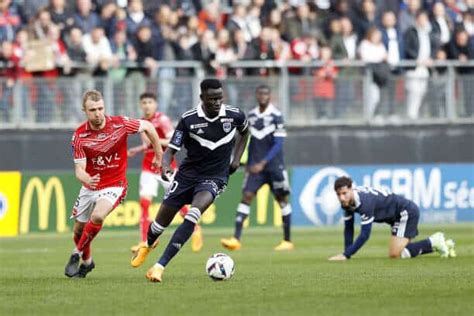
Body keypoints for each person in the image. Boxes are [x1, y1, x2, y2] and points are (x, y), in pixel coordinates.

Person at [130, 79, 249, 283]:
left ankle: (159, 267)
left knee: (193, 215)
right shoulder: (189, 119)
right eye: (212, 99)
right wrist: (166, 165)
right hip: (187, 176)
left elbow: (245, 132)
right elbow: (171, 150)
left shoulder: (234, 115)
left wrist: (236, 159)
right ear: (202, 98)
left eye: (220, 98)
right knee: (158, 225)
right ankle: (148, 245)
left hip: (215, 177)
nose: (217, 102)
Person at [64, 90, 163, 278]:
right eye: (92, 109)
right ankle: (87, 262)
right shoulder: (79, 136)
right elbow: (79, 170)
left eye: (100, 108)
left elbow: (149, 127)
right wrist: (87, 179)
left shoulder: (120, 124)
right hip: (90, 186)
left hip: (114, 185)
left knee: (98, 216)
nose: (97, 113)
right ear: (84, 110)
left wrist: (159, 154)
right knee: (78, 230)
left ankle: (75, 254)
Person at [128, 92, 203, 253]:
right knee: (144, 204)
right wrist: (139, 149)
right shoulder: (142, 122)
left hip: (166, 166)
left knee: (177, 201)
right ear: (140, 105)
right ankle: (144, 241)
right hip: (148, 166)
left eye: (150, 102)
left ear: (155, 104)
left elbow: (172, 140)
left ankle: (195, 229)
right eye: (144, 102)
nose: (147, 105)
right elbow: (148, 145)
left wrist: (154, 139)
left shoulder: (162, 120)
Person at [221, 85, 293, 251]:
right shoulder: (251, 116)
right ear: (256, 95)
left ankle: (287, 240)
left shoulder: (277, 116)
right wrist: (246, 162)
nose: (263, 96)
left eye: (266, 93)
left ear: (270, 96)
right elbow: (248, 141)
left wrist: (263, 162)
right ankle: (236, 239)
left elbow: (278, 144)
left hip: (275, 167)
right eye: (260, 93)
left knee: (282, 200)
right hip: (254, 169)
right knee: (246, 197)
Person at [329, 176, 456, 261]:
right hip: (395, 218)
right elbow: (349, 229)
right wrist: (347, 254)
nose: (341, 198)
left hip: (405, 212)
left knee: (395, 254)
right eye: (338, 194)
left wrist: (346, 255)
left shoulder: (364, 202)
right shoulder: (346, 203)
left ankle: (434, 241)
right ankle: (444, 245)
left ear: (351, 189)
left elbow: (365, 235)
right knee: (404, 251)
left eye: (344, 193)